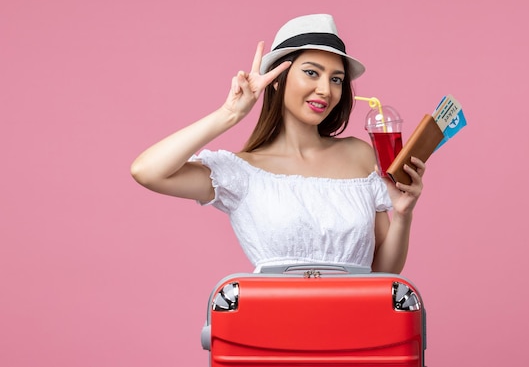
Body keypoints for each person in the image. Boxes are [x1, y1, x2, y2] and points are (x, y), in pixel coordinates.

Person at [130, 14, 426, 274]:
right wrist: (229, 114)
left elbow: (384, 271)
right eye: (312, 72)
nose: (325, 89)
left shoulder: (361, 154)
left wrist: (402, 215)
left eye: (336, 79)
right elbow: (147, 171)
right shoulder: (242, 173)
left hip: (358, 330)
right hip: (273, 331)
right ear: (277, 78)